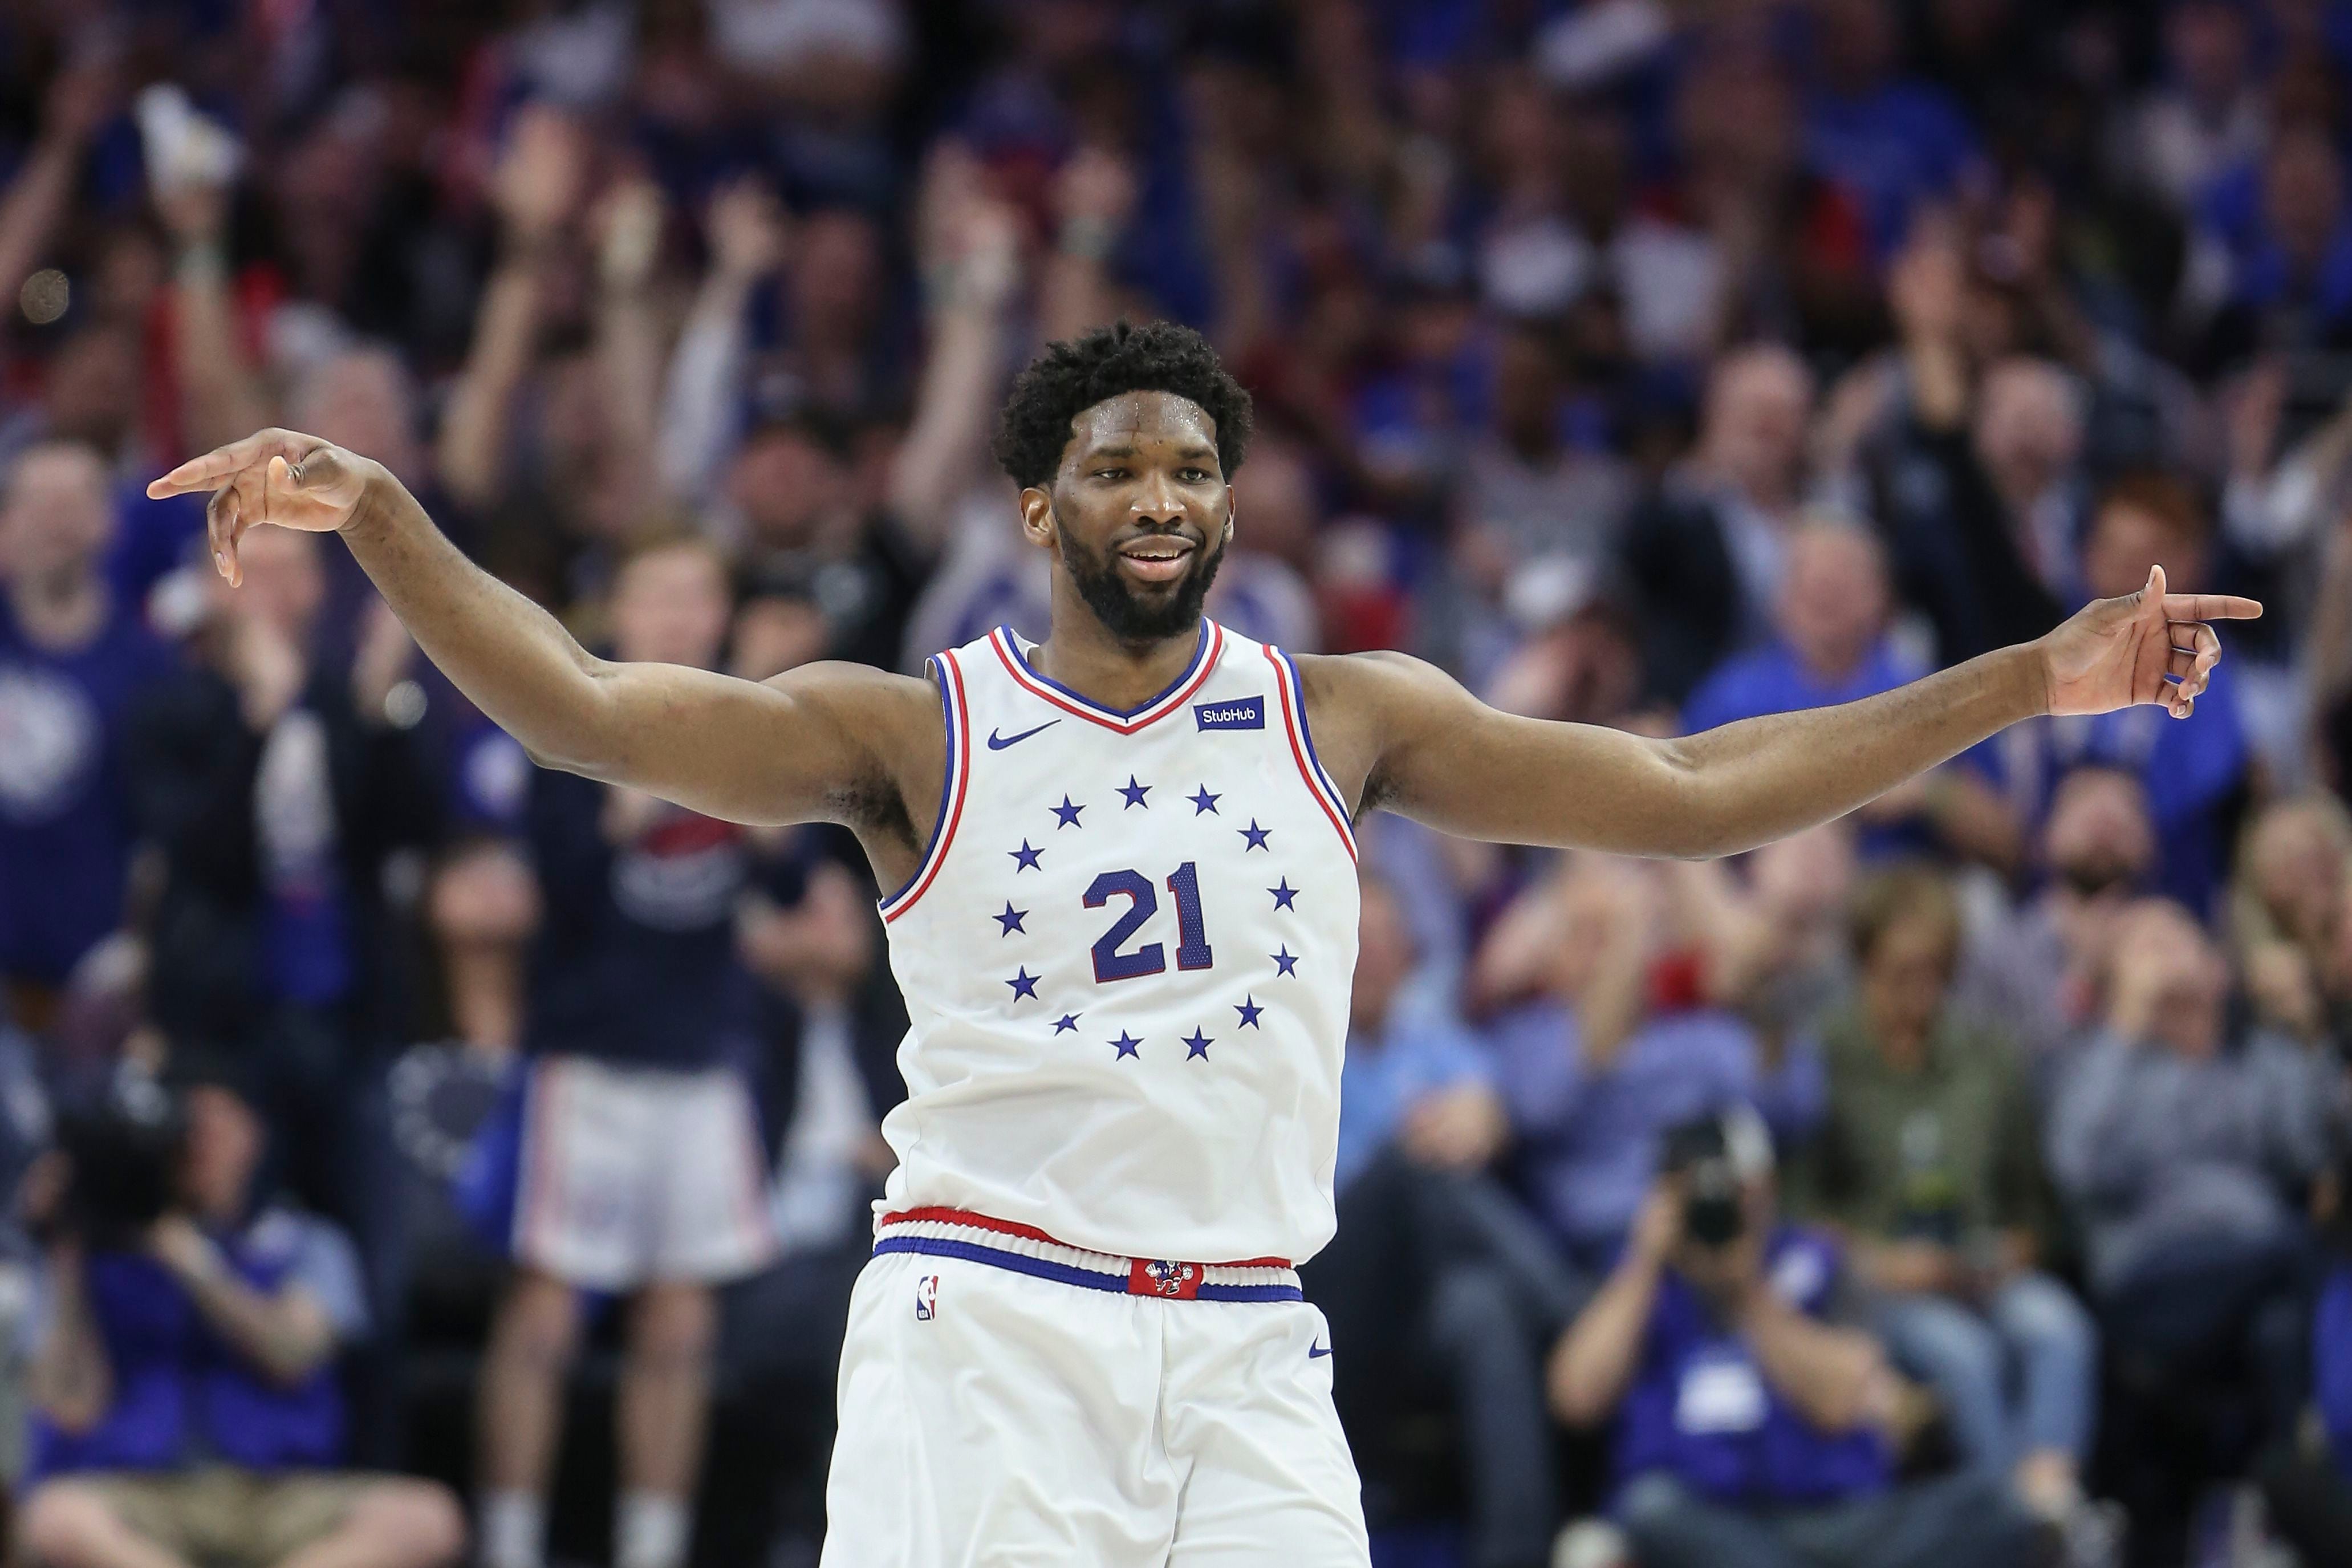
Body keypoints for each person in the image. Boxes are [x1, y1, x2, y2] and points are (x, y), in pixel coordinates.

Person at [150, 316, 2254, 1563]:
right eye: (1115, 465)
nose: (1161, 492)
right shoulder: (920, 726)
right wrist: (392, 525)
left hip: (1251, 1340)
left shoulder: (1348, 715)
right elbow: (597, 709)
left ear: (1228, 505)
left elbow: (1699, 794)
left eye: (1193, 466)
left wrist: (2021, 685)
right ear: (1043, 510)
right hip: (992, 1332)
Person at [473, 538, 782, 1568]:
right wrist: (642, 778)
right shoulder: (561, 717)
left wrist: (774, 821)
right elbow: (554, 883)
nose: (683, 617)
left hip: (704, 1060)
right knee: (548, 1319)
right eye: (661, 595)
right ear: (622, 609)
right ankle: (510, 1544)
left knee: (682, 1329)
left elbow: (793, 885)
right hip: (589, 1061)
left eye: (701, 596)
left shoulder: (756, 726)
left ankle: (655, 1548)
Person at [1549, 1108, 2049, 1568]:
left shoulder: (1815, 1259)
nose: (1719, 1207)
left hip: (1832, 1519)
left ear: (1764, 1186)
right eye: (1694, 1193)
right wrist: (1644, 1262)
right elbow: (1575, 1398)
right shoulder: (1638, 1280)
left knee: (1994, 1508)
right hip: (1701, 1520)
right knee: (1647, 1509)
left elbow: (1840, 1399)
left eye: (1732, 1188)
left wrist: (1747, 1293)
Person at [13, 1058, 464, 1568]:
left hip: (279, 1495)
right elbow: (71, 1409)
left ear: (255, 1135)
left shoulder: (308, 1245)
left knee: (428, 1516)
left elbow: (289, 1355)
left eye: (217, 1126)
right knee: (53, 1518)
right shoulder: (98, 1256)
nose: (201, 1145)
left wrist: (189, 1260)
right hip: (144, 1492)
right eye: (188, 1129)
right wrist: (68, 1250)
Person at [1792, 867, 2100, 1533]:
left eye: (1934, 971)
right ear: (1864, 962)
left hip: (1979, 1267)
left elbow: (2031, 1204)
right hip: (1876, 1286)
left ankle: (2047, 1497)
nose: (1918, 989)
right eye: (1898, 971)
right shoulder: (1823, 1055)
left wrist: (2008, 1251)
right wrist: (1880, 1260)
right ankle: (2013, 1526)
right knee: (1962, 1354)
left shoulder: (1989, 1056)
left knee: (2058, 1326)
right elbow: (1796, 1213)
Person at [0, 442, 175, 1032]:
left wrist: (139, 952)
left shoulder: (152, 671)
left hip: (100, 985)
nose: (55, 521)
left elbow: (164, 839)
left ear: (110, 524)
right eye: (38, 504)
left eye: (73, 504)